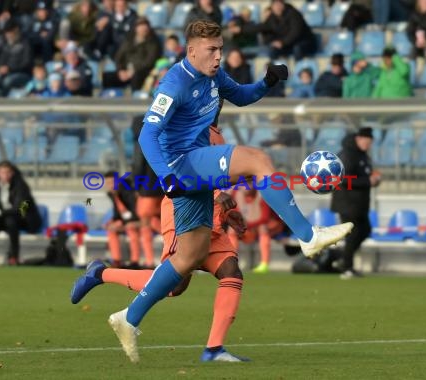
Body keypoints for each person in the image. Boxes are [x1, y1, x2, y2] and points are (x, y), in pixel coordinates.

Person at [107, 20, 353, 363]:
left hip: (194, 171)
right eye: (212, 50)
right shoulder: (174, 83)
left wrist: (267, 81)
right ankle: (308, 235)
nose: (219, 56)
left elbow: (241, 96)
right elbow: (147, 135)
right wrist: (165, 176)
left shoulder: (213, 76)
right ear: (191, 51)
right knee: (258, 159)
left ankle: (128, 319)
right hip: (182, 163)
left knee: (186, 260)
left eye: (221, 49)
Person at [71, 123, 251, 362]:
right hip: (184, 209)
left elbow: (212, 170)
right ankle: (101, 274)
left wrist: (225, 211)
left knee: (231, 272)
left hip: (211, 213)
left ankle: (214, 349)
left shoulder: (215, 129)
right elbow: (178, 166)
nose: (219, 93)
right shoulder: (187, 122)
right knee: (174, 285)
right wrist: (218, 195)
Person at [331, 127, 380, 279]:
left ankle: (343, 259)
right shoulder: (347, 155)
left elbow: (365, 176)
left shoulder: (363, 156)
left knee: (365, 230)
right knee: (353, 235)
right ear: (358, 139)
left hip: (360, 204)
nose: (368, 145)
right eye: (366, 141)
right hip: (347, 203)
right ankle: (346, 266)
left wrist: (374, 180)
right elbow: (343, 179)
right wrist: (367, 181)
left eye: (370, 142)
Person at [0, 161, 42, 266]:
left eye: (7, 172)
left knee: (11, 221)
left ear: (12, 173)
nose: (4, 175)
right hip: (6, 217)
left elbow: (20, 209)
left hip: (26, 219)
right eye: (2, 172)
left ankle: (14, 256)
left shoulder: (21, 187)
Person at [131, 115, 163, 269]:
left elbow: (138, 166)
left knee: (145, 224)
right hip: (164, 189)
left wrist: (136, 187)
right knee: (161, 222)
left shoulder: (141, 142)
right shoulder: (163, 139)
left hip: (147, 190)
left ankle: (149, 261)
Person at [228, 188, 284, 273]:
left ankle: (264, 264)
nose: (246, 186)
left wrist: (249, 222)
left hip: (266, 229)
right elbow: (234, 218)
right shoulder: (236, 195)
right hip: (247, 230)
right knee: (231, 230)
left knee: (262, 227)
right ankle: (232, 262)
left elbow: (264, 218)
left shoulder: (262, 195)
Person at [101, 172, 147, 268]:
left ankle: (135, 262)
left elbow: (135, 211)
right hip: (127, 221)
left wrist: (122, 222)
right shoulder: (112, 194)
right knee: (111, 230)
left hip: (139, 221)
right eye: (108, 183)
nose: (110, 185)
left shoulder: (128, 191)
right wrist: (112, 221)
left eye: (112, 182)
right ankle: (116, 260)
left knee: (131, 229)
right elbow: (118, 212)